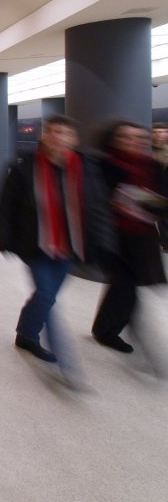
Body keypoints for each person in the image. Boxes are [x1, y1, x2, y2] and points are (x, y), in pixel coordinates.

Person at [0, 115, 106, 364]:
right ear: (43, 136)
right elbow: (7, 206)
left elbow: (97, 208)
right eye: (53, 132)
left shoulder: (86, 169)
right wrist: (6, 240)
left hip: (70, 247)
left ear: (74, 139)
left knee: (45, 296)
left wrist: (101, 243)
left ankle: (25, 333)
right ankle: (67, 365)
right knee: (46, 295)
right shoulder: (26, 167)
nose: (58, 137)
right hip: (37, 245)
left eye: (64, 133)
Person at [91, 120, 167, 354]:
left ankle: (104, 328)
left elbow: (161, 200)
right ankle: (108, 331)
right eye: (126, 137)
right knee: (126, 288)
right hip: (113, 237)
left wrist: (144, 201)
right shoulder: (104, 165)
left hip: (142, 237)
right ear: (115, 139)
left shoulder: (152, 166)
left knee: (125, 286)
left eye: (137, 138)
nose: (132, 142)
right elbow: (95, 199)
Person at [152, 122, 168, 252]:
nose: (159, 135)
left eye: (162, 132)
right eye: (156, 132)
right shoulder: (148, 151)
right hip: (155, 189)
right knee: (162, 218)